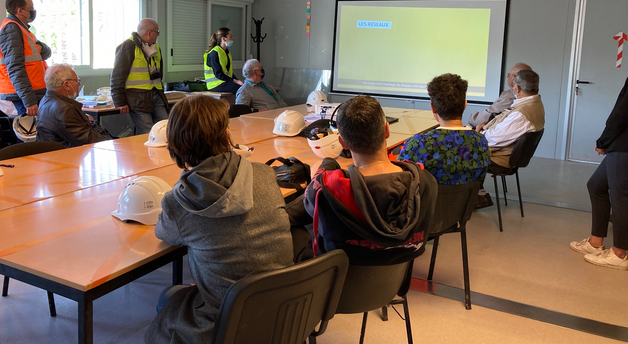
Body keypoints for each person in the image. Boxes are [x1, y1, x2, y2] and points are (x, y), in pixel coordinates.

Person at [144, 95, 293, 344]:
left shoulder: (178, 202)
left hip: (225, 321)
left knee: (170, 298)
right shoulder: (265, 174)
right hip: (283, 306)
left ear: (174, 144)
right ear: (226, 136)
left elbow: (164, 233)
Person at [287, 95, 437, 265]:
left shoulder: (326, 187)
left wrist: (325, 167)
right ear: (387, 130)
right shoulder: (425, 181)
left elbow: (292, 213)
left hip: (335, 282)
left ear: (342, 142)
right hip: (393, 280)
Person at [570, 77, 628, 270]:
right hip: (620, 144)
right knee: (596, 185)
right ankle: (595, 242)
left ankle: (619, 253)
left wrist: (604, 141)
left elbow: (621, 113)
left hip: (624, 146)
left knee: (620, 197)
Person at [397, 73, 490, 185]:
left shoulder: (418, 144)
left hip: (427, 202)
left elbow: (399, 180)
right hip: (465, 202)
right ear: (465, 105)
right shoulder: (481, 142)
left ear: (433, 108)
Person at [475, 69, 545, 209]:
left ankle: (477, 196)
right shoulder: (535, 103)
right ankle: (477, 192)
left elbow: (490, 140)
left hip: (500, 157)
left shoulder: (522, 113)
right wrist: (487, 125)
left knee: (459, 149)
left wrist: (480, 132)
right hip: (506, 152)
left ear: (517, 88)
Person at [0, 0, 51, 116]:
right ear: (20, 11)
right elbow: (15, 68)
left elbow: (47, 51)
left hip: (32, 91)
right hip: (23, 95)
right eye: (30, 9)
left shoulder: (23, 29)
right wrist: (29, 101)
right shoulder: (11, 30)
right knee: (31, 132)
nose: (33, 11)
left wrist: (39, 47)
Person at [111, 19, 169, 135]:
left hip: (156, 94)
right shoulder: (128, 46)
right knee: (148, 133)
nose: (158, 35)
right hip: (137, 99)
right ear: (149, 33)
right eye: (157, 32)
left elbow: (159, 73)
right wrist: (120, 102)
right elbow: (117, 76)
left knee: (166, 129)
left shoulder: (156, 48)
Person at [37, 64, 113, 148]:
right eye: (77, 81)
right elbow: (90, 140)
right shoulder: (65, 109)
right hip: (70, 156)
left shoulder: (45, 100)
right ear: (66, 85)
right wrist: (115, 142)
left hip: (54, 154)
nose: (79, 84)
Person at [468, 63, 532, 128]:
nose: (508, 77)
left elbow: (479, 120)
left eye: (508, 75)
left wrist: (472, 117)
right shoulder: (531, 100)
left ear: (513, 78)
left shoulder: (509, 98)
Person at [203, 27, 243, 94]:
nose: (232, 38)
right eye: (230, 36)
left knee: (244, 87)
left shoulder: (226, 52)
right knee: (241, 89)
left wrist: (239, 81)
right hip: (215, 85)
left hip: (224, 82)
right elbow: (218, 74)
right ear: (223, 39)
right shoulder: (214, 53)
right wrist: (236, 81)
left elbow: (229, 73)